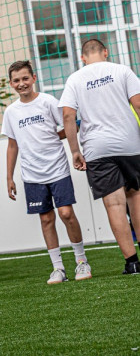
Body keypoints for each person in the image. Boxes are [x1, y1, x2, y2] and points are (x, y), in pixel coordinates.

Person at [2, 60, 91, 284]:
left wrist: (72, 150)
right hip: (32, 175)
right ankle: (58, 268)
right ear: (11, 84)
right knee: (46, 219)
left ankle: (81, 261)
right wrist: (8, 177)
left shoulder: (48, 102)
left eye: (25, 78)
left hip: (57, 169)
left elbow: (70, 126)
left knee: (66, 214)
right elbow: (13, 145)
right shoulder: (11, 112)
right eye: (16, 80)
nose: (21, 83)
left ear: (33, 78)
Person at [60, 38, 140, 274]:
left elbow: (67, 117)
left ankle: (132, 262)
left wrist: (75, 150)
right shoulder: (122, 70)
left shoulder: (75, 79)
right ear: (105, 52)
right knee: (135, 198)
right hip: (129, 144)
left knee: (114, 204)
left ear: (82, 58)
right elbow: (138, 104)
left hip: (97, 149)